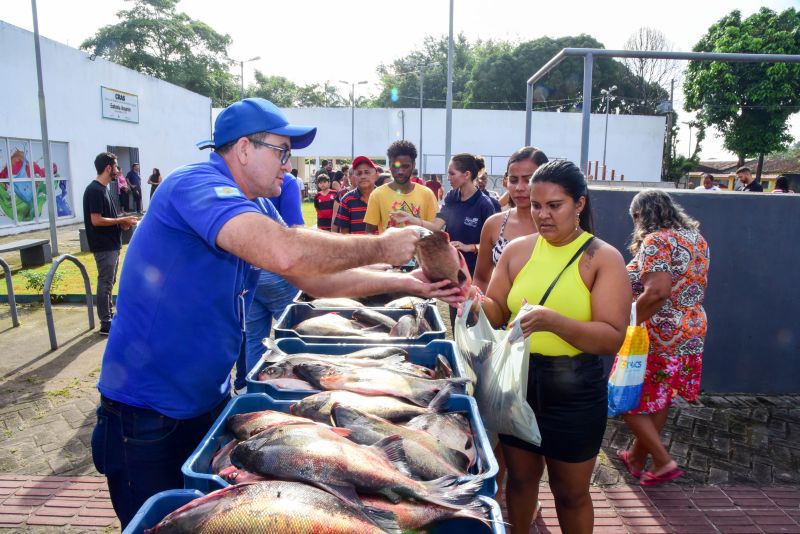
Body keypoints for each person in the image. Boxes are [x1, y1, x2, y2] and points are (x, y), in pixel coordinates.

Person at [90, 98, 461, 528]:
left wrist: (408, 282)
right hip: (147, 412)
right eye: (282, 151)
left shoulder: (258, 204)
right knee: (157, 523)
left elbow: (315, 280)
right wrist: (382, 246)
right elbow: (284, 252)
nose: (289, 164)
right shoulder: (194, 185)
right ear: (244, 148)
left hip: (208, 401)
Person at [462, 160, 631, 534]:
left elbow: (610, 336)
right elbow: (496, 311)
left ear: (580, 205)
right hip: (517, 383)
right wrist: (469, 298)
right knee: (520, 482)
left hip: (574, 390)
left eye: (555, 205)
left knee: (570, 493)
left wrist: (553, 321)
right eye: (537, 206)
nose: (543, 215)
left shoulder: (602, 258)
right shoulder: (518, 251)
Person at [618, 190, 710, 487]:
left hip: (660, 332)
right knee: (659, 399)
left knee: (623, 397)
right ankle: (636, 458)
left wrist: (627, 321)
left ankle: (663, 460)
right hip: (692, 329)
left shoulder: (656, 241)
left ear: (640, 215)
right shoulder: (696, 238)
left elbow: (657, 291)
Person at [393, 153, 498, 326]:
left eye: (452, 174)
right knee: (457, 321)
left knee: (475, 325)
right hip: (455, 273)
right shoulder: (451, 198)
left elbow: (494, 246)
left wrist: (469, 247)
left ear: (467, 175)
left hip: (477, 275)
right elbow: (436, 226)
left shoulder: (484, 205)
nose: (448, 178)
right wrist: (410, 219)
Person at [473, 147, 549, 292]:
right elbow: (481, 279)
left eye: (529, 180)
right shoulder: (494, 224)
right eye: (513, 180)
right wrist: (479, 308)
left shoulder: (555, 227)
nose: (519, 187)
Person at [82, 153, 138, 335]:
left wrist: (122, 221)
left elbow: (107, 217)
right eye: (115, 166)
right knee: (105, 282)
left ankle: (108, 316)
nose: (118, 170)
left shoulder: (104, 189)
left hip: (112, 243)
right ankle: (105, 322)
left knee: (109, 281)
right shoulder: (95, 190)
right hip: (103, 245)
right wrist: (119, 221)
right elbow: (96, 220)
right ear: (108, 168)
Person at [364, 140, 438, 234]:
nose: (400, 171)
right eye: (395, 166)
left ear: (413, 165)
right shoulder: (377, 194)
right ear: (389, 165)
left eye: (405, 166)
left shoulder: (427, 194)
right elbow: (369, 233)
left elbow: (435, 230)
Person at [335, 155, 378, 234]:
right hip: (356, 246)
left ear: (376, 175)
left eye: (367, 172)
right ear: (354, 177)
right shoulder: (347, 200)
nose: (363, 176)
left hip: (381, 246)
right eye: (359, 173)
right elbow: (344, 234)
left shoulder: (383, 196)